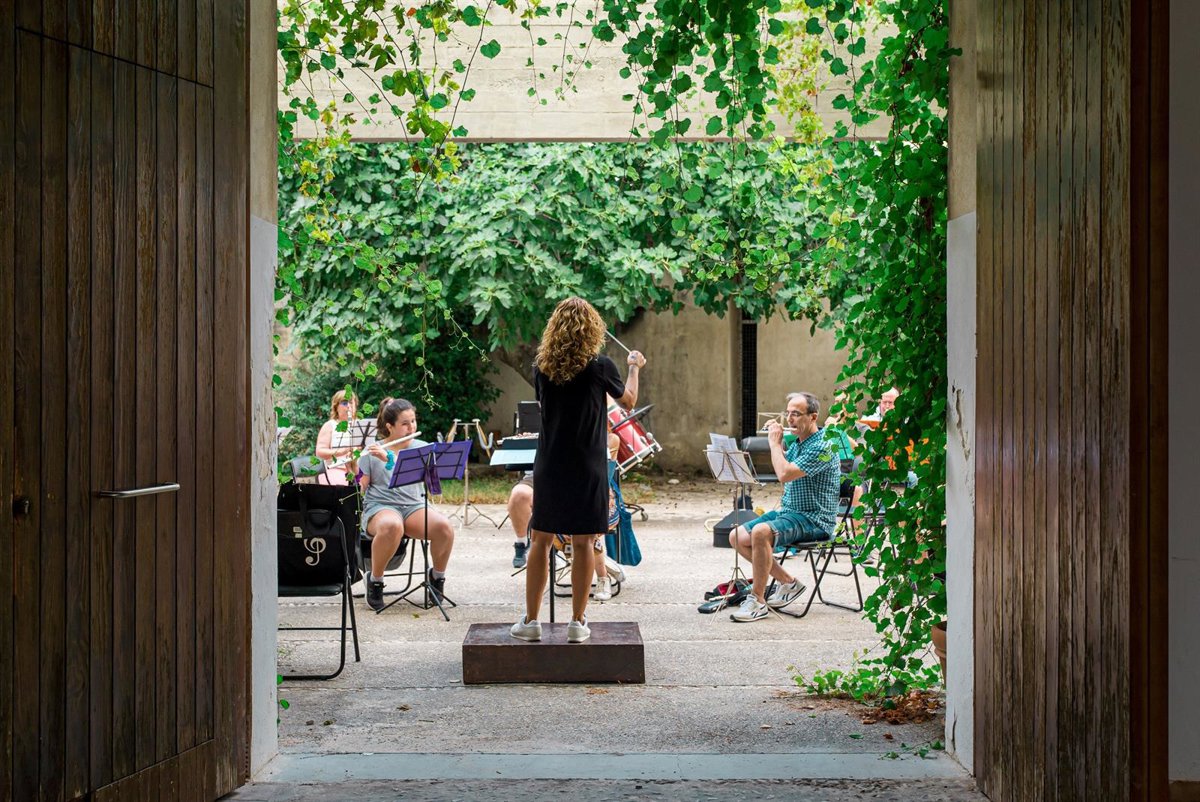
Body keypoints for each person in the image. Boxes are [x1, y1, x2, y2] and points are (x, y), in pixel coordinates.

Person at [510, 297, 644, 643]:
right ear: (592, 329)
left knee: (540, 540)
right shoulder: (600, 367)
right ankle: (577, 622)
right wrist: (634, 367)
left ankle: (531, 621)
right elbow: (628, 402)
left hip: (551, 462)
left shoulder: (542, 368)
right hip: (588, 464)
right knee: (584, 542)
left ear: (554, 328)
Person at [727, 391, 840, 623]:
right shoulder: (799, 443)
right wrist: (778, 446)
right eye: (788, 413)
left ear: (813, 417)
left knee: (761, 533)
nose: (789, 419)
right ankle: (788, 583)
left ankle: (758, 601)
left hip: (814, 519)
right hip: (790, 514)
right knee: (736, 536)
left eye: (796, 414)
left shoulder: (823, 447)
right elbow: (786, 471)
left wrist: (774, 444)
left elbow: (784, 474)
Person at [357, 397, 457, 612]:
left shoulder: (423, 448)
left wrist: (435, 472)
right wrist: (352, 469)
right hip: (381, 506)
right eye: (405, 423)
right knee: (392, 526)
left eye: (413, 421)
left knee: (444, 528)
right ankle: (375, 581)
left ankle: (436, 577)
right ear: (389, 426)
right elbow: (360, 486)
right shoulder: (372, 451)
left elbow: (433, 484)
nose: (411, 427)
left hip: (413, 506)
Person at [314, 389, 359, 484]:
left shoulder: (360, 425)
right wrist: (341, 451)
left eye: (351, 402)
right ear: (336, 407)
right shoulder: (330, 425)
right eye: (344, 403)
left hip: (357, 469)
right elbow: (319, 452)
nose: (348, 406)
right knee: (344, 484)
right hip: (335, 469)